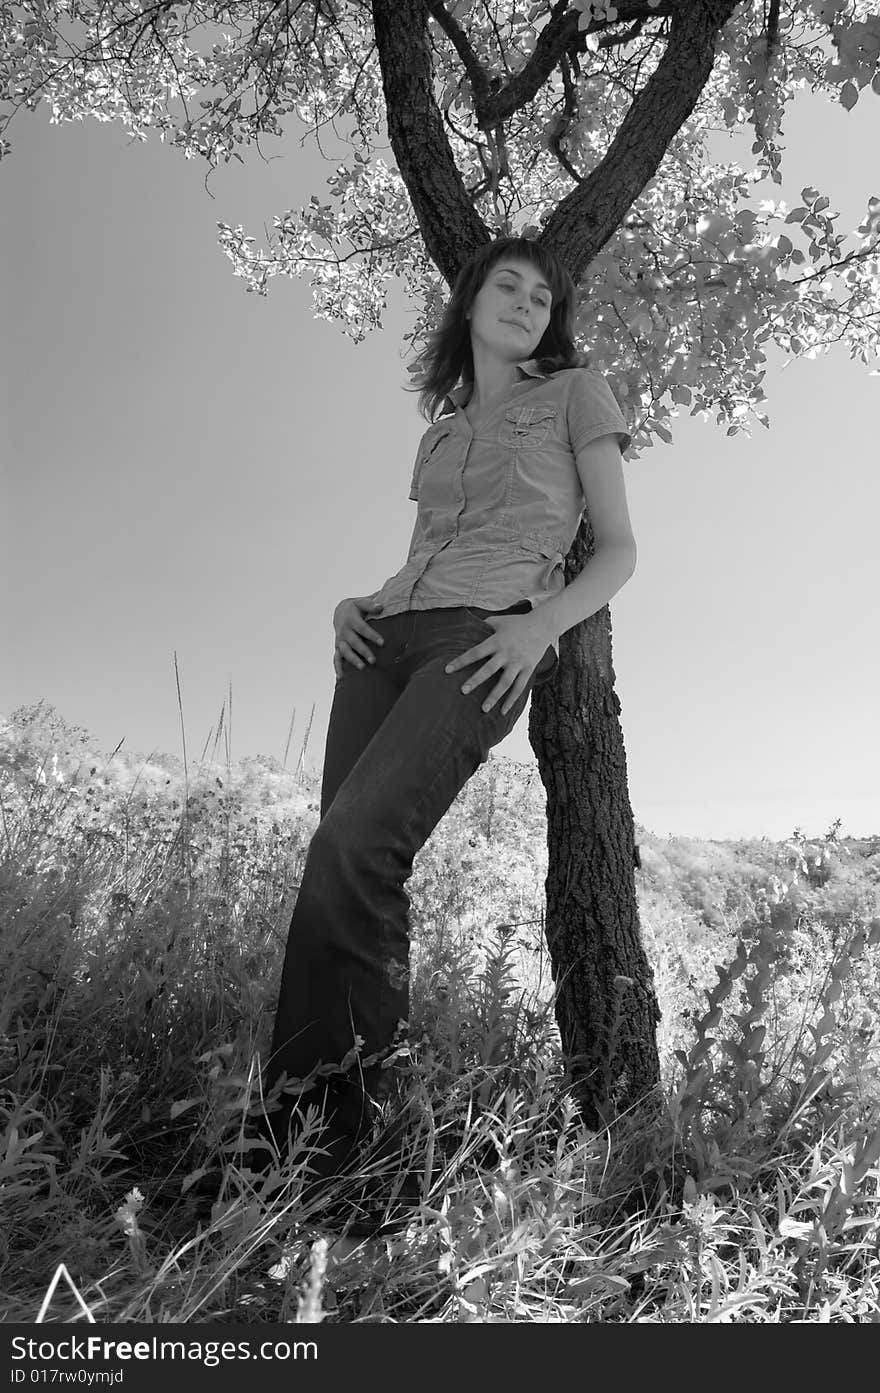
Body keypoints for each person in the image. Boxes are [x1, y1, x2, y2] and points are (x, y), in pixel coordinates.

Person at [256, 236, 637, 1240]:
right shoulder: (440, 429)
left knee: (359, 850)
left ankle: (357, 1159)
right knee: (328, 862)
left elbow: (622, 549)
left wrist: (540, 627)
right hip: (383, 639)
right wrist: (355, 602)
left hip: (480, 642)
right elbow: (422, 552)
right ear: (468, 302)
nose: (524, 301)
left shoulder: (576, 396)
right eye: (505, 286)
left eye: (540, 294)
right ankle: (283, 1138)